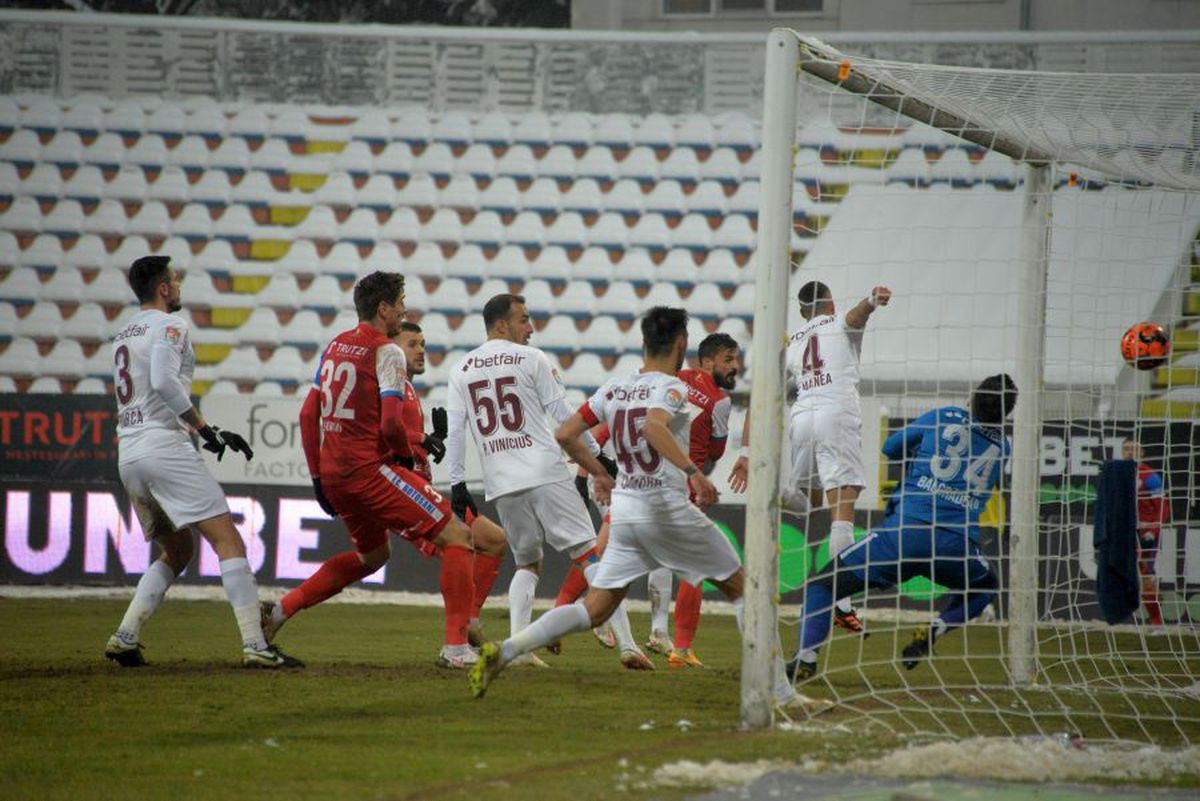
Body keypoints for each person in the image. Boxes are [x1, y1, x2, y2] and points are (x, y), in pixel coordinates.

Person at [470, 306, 829, 714]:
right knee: (744, 590)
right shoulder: (672, 388)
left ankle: (509, 649)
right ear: (681, 344)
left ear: (643, 343)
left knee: (595, 608)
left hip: (625, 514)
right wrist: (694, 472)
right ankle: (784, 696)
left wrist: (600, 474)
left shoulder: (614, 388)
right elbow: (653, 427)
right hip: (665, 508)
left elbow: (566, 433)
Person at [260, 272, 477, 668]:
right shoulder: (386, 352)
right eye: (400, 303)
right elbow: (392, 426)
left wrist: (317, 478)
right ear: (383, 309)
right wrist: (408, 461)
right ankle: (456, 647)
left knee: (372, 555)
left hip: (335, 476)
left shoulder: (336, 345)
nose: (404, 310)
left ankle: (277, 613)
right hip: (369, 471)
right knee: (459, 537)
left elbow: (310, 412)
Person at [104, 255, 300, 669]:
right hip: (162, 447)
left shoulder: (124, 333)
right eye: (174, 279)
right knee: (227, 539)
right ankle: (255, 644)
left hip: (130, 451)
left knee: (178, 548)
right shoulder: (171, 325)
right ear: (162, 288)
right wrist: (203, 427)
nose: (178, 285)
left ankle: (125, 635)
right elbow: (162, 381)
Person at [446, 293, 650, 670]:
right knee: (590, 554)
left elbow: (456, 432)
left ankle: (521, 649)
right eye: (524, 319)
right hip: (542, 470)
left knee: (527, 564)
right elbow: (563, 414)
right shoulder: (531, 358)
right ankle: (627, 645)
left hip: (501, 481)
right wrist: (600, 456)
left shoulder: (461, 369)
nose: (531, 327)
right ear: (502, 325)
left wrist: (457, 484)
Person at [787, 374, 1016, 681]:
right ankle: (937, 627)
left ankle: (806, 657)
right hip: (955, 547)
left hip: (902, 537)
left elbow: (891, 448)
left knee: (823, 586)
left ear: (973, 397)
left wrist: (922, 459)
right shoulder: (1005, 447)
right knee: (986, 587)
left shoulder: (942, 417)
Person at [729, 281, 890, 636]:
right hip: (836, 416)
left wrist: (745, 451)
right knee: (841, 512)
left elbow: (761, 397)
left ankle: (775, 491)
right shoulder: (837, 323)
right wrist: (871, 300)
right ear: (830, 303)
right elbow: (855, 316)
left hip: (802, 419)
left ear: (802, 312)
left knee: (812, 501)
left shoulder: (792, 344)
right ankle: (842, 604)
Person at [393, 320, 508, 663]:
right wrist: (420, 440)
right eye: (411, 343)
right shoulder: (391, 386)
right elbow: (386, 436)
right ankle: (458, 640)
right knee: (464, 543)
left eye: (423, 343)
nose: (420, 349)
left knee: (493, 540)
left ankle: (467, 625)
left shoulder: (408, 389)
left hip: (423, 488)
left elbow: (405, 446)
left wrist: (431, 442)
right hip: (403, 493)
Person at [643, 332, 740, 668]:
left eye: (736, 359)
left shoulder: (674, 379)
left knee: (642, 554)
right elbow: (715, 450)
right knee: (694, 565)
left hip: (651, 479)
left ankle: (657, 631)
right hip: (687, 484)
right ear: (707, 361)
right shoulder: (722, 400)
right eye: (728, 360)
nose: (735, 366)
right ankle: (681, 648)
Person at [1122, 437, 1168, 626]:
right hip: (1126, 531)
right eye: (1126, 449)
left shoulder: (1150, 476)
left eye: (1135, 449)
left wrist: (1154, 528)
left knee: (1146, 574)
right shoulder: (1119, 475)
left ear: (1142, 453)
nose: (1130, 452)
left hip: (1146, 532)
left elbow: (1164, 506)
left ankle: (1157, 622)